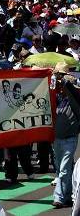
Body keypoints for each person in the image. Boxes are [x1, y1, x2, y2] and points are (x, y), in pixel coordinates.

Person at [52, 74, 80, 208]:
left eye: (63, 86)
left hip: (70, 139)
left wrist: (64, 82)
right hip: (57, 139)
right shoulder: (59, 99)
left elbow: (70, 89)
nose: (61, 88)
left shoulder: (76, 101)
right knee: (63, 169)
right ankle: (69, 195)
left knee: (63, 169)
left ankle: (59, 198)